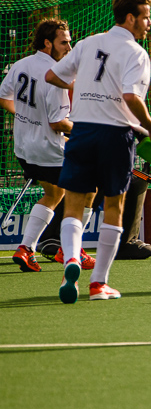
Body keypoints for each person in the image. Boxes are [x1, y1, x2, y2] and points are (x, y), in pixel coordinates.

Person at [45, 0, 151, 303]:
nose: (149, 24)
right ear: (130, 19)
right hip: (115, 137)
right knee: (114, 206)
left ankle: (71, 258)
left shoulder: (86, 43)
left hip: (82, 132)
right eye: (145, 17)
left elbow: (51, 75)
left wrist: (84, 87)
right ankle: (99, 283)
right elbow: (130, 97)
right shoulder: (137, 54)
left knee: (73, 204)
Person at [0, 19, 96, 272]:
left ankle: (25, 249)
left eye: (69, 41)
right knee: (90, 189)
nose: (69, 47)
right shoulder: (56, 76)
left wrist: (26, 118)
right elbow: (57, 123)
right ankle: (70, 250)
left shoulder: (21, 64)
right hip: (48, 150)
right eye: (63, 42)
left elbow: (3, 96)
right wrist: (90, 132)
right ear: (47, 43)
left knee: (54, 194)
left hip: (23, 148)